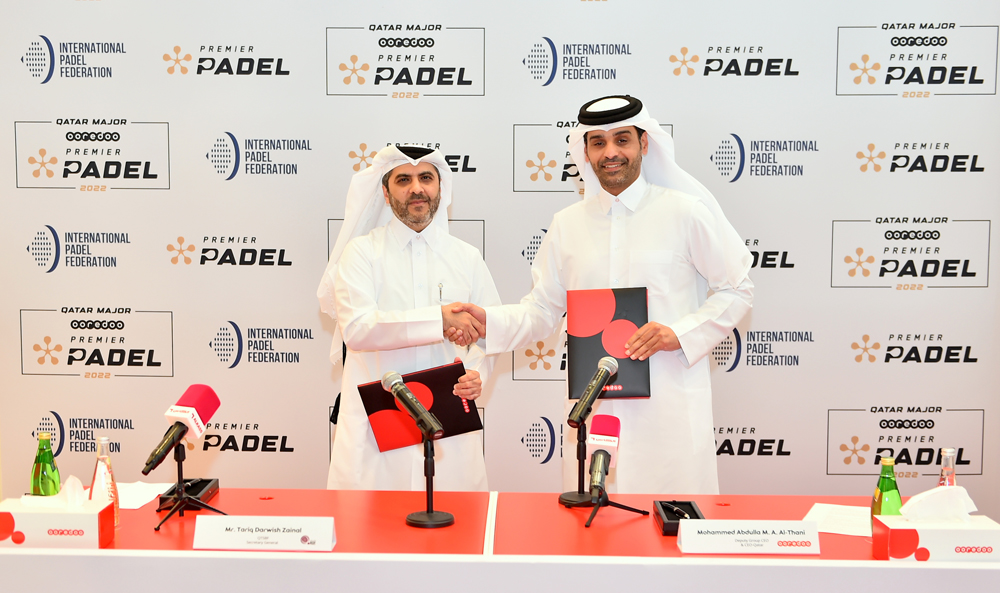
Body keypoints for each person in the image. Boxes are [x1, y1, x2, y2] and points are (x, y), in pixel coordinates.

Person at [449, 95, 753, 494]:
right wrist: (493, 322)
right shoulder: (567, 225)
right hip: (594, 406)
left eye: (622, 139)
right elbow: (542, 309)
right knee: (593, 531)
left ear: (644, 144)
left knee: (670, 529)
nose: (611, 152)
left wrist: (678, 333)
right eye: (598, 143)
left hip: (669, 403)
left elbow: (737, 289)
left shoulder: (685, 212)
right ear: (586, 153)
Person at [317, 144, 500, 491]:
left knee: (454, 531)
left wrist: (479, 372)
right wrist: (439, 320)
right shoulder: (360, 253)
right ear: (386, 193)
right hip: (377, 425)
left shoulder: (467, 257)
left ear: (439, 188)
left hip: (449, 423)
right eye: (404, 179)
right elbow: (357, 329)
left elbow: (488, 332)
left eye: (426, 178)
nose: (417, 188)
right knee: (369, 534)